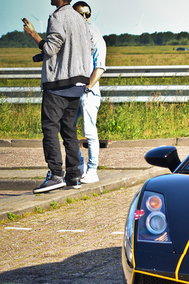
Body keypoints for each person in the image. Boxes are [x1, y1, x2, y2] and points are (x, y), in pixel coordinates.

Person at [23, 0, 93, 194]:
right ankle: (73, 176)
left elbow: (51, 49)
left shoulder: (57, 16)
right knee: (69, 130)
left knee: (50, 128)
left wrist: (33, 34)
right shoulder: (80, 20)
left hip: (58, 84)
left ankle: (55, 175)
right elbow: (90, 47)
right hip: (77, 84)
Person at [74, 1, 106, 184]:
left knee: (89, 131)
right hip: (72, 91)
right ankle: (80, 165)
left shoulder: (96, 37)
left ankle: (93, 169)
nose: (84, 18)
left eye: (87, 14)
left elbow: (99, 68)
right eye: (80, 14)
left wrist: (87, 88)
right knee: (68, 128)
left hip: (88, 92)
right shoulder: (72, 36)